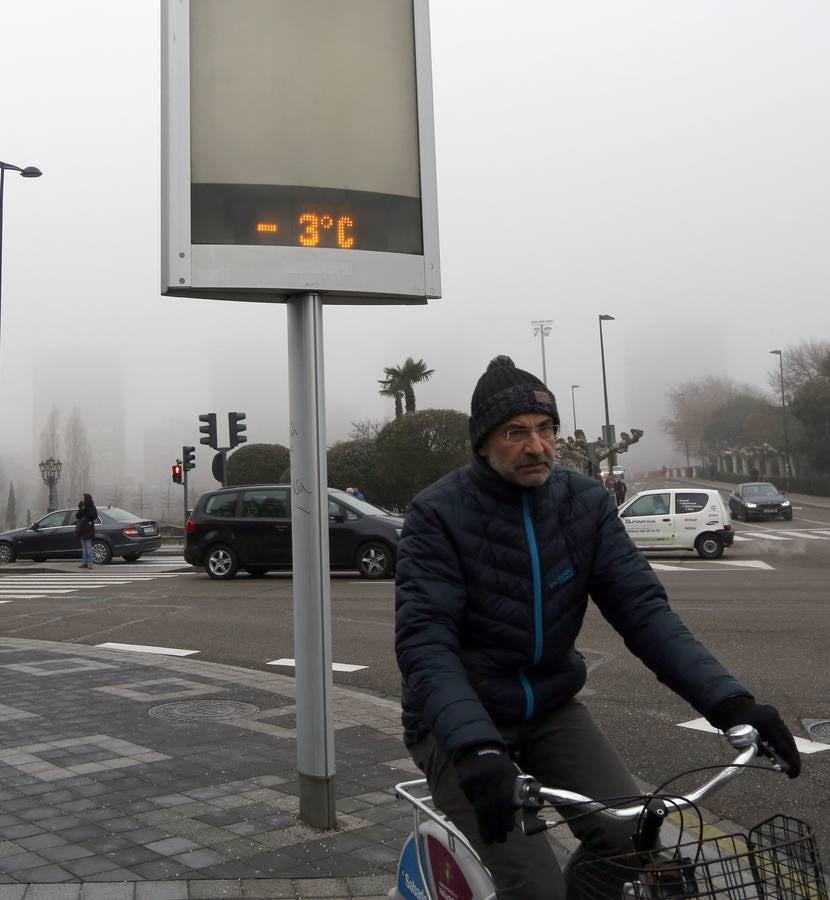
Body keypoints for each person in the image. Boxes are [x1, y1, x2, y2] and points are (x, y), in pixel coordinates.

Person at [394, 356, 800, 900]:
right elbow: (426, 644)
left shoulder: (584, 504)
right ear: (482, 443)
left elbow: (645, 614)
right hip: (458, 723)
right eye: (516, 432)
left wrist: (730, 703)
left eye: (546, 429)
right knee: (535, 886)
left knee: (632, 839)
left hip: (549, 707)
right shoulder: (437, 514)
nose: (536, 446)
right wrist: (475, 749)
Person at [75, 493, 97, 568]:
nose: (81, 499)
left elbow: (94, 516)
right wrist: (82, 509)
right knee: (84, 548)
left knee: (88, 547)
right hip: (81, 529)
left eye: (83, 498)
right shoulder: (81, 506)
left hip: (88, 529)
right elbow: (77, 515)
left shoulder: (91, 506)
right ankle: (84, 562)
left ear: (86, 498)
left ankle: (90, 563)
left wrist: (86, 510)